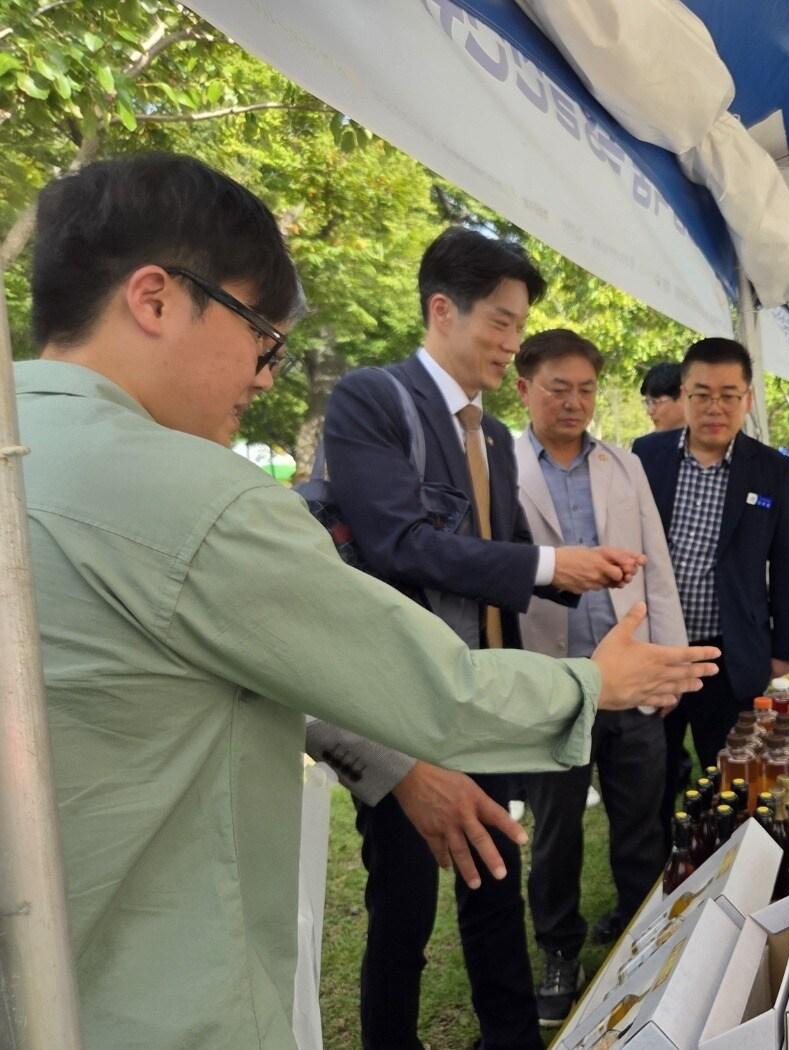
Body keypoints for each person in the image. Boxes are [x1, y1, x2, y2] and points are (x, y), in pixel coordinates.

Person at [16, 152, 719, 1050]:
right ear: (154, 298)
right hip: (159, 995)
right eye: (258, 335)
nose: (266, 375)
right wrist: (591, 679)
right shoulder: (207, 492)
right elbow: (418, 644)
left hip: (56, 975)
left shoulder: (26, 448)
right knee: (405, 914)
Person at [320, 228, 652, 1050]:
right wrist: (547, 560)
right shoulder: (371, 401)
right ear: (443, 309)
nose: (510, 343)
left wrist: (567, 574)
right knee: (402, 902)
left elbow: (500, 555)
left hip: (486, 694)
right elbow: (398, 542)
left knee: (495, 878)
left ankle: (510, 1036)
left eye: (517, 325)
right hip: (402, 702)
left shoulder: (495, 436)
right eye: (500, 323)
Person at [511, 329, 686, 1024]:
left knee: (641, 818)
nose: (574, 402)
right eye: (559, 387)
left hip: (633, 670)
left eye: (586, 389)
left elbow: (657, 565)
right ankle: (559, 947)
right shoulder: (504, 467)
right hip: (551, 678)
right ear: (523, 388)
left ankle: (643, 931)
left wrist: (668, 667)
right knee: (555, 828)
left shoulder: (621, 464)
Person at [632, 338, 789, 828]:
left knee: (731, 779)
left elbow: (787, 562)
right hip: (656, 651)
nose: (715, 408)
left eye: (729, 395)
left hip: (729, 654)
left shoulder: (770, 469)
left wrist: (786, 645)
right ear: (684, 395)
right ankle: (652, 887)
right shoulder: (647, 457)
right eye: (702, 394)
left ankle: (730, 877)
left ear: (748, 399)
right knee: (651, 780)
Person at [640, 361, 684, 431]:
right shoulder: (646, 442)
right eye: (648, 403)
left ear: (682, 397)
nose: (650, 411)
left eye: (655, 402)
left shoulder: (704, 439)